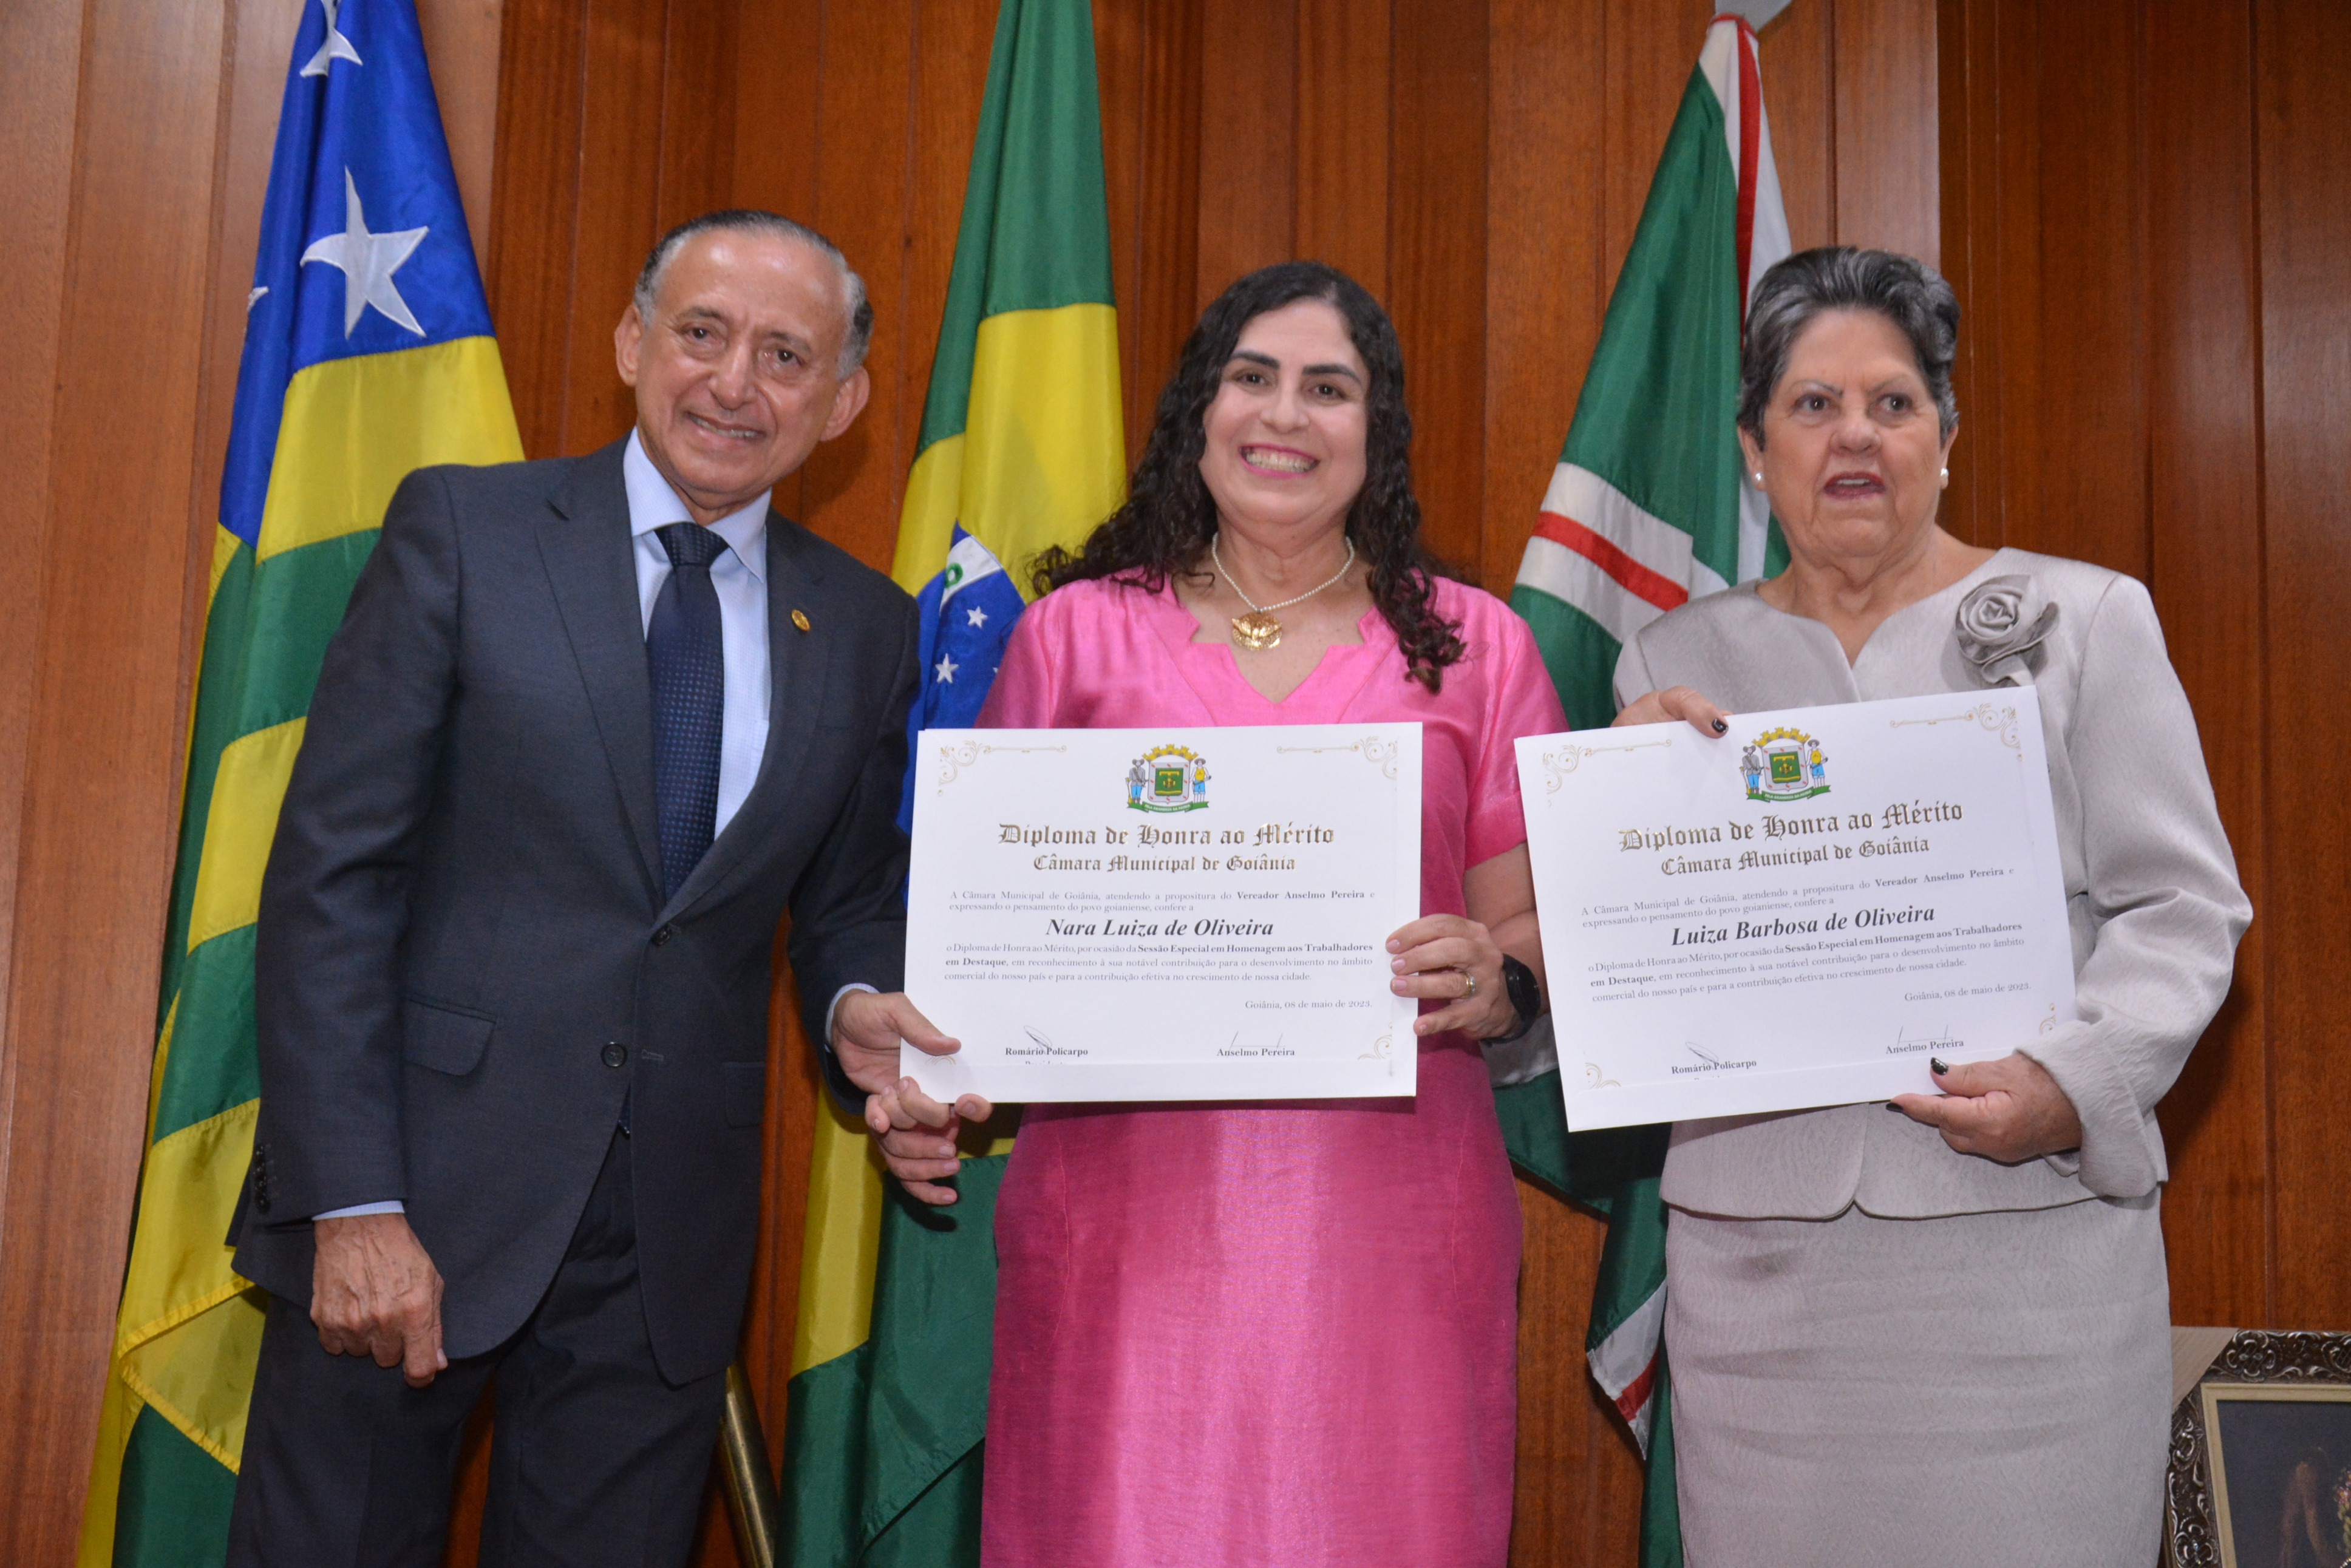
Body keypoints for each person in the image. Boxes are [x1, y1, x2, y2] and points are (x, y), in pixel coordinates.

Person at [228, 210, 951, 1568]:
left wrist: (856, 1002)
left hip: (663, 1253)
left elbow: (848, 901)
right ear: (632, 343)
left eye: (785, 355)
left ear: (843, 402)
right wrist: (351, 1200)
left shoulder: (866, 624)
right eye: (702, 333)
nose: (735, 383)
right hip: (412, 1200)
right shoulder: (466, 529)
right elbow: (334, 879)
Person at [868, 262, 1562, 1567]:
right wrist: (929, 1091)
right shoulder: (1070, 637)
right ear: (1200, 408)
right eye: (1253, 377)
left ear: (1377, 429)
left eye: (1328, 388)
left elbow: (1529, 927)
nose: (1284, 414)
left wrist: (1501, 977)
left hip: (1391, 1230)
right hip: (1123, 1233)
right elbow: (980, 945)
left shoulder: (1478, 647)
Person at [1614, 246, 2252, 1566]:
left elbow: (2185, 906)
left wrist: (2072, 1082)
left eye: (1893, 402)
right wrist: (1621, 804)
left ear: (1946, 441)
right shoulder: (1669, 663)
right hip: (1764, 1300)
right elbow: (1632, 960)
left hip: (2028, 1273)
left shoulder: (2087, 619)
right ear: (1754, 450)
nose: (1855, 433)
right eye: (1812, 404)